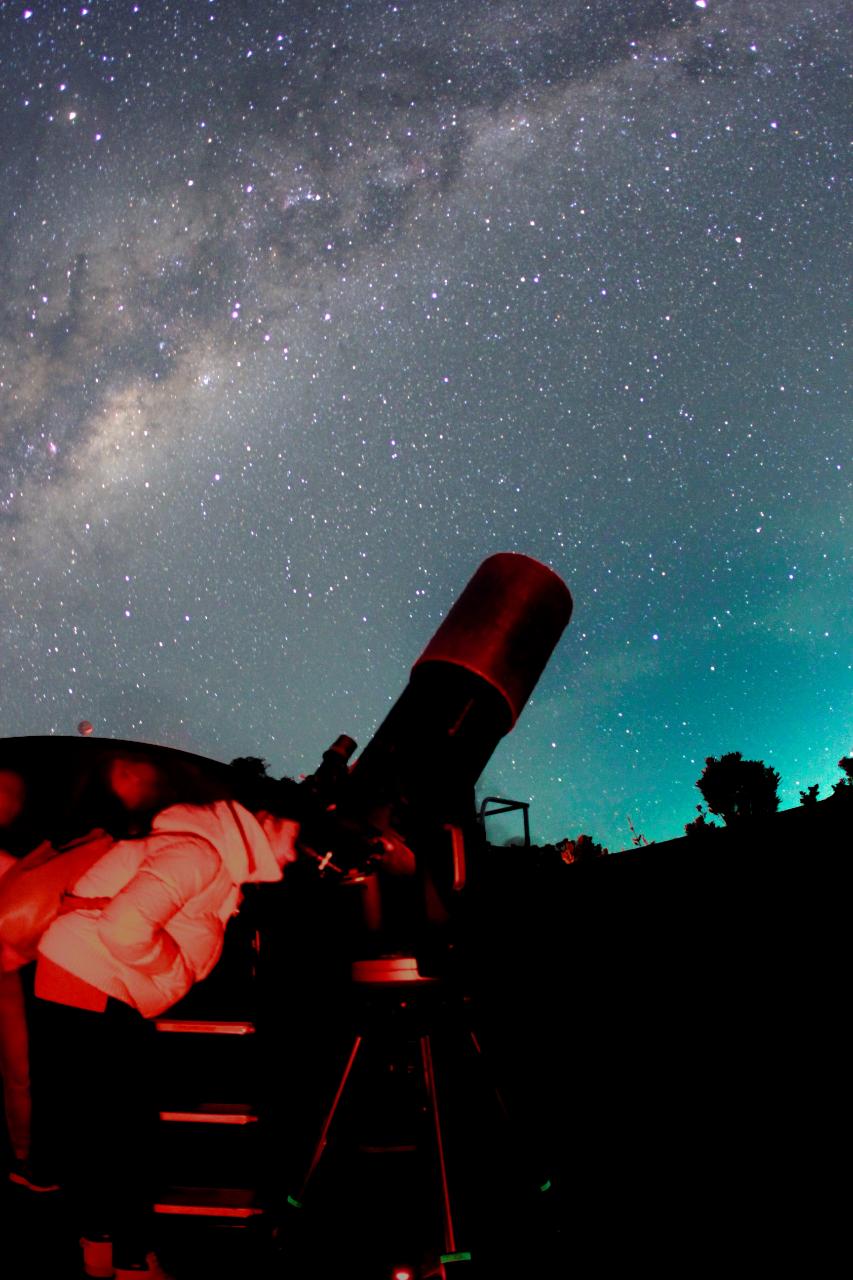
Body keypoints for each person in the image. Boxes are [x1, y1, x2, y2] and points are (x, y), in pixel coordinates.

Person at [33, 755, 300, 1280]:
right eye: (293, 842)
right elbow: (123, 930)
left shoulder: (214, 862)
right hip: (88, 987)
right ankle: (127, 1257)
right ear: (263, 833)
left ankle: (107, 1254)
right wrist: (172, 971)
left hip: (89, 986)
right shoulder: (197, 855)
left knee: (108, 1130)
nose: (297, 857)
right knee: (120, 1132)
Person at [0, 767, 61, 1194]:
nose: (10, 800)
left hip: (7, 974)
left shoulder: (18, 861)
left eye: (14, 793)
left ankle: (25, 1157)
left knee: (19, 1068)